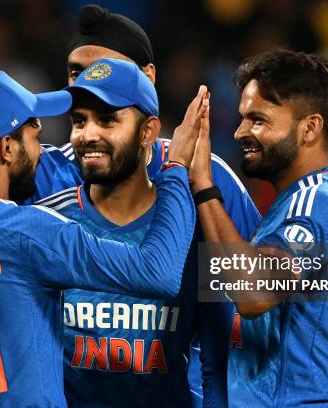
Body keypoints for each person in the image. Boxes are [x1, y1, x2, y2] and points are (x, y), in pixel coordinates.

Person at [0, 5, 267, 407]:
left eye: (107, 110)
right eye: (74, 76)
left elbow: (258, 294)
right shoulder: (45, 177)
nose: (84, 82)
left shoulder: (203, 177)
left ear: (147, 88)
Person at [0, 70, 207, 407]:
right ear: (7, 147)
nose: (42, 150)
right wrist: (178, 166)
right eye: (34, 138)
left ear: (147, 130)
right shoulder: (30, 229)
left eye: (106, 119)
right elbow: (159, 273)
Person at [180, 49, 328, 407]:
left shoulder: (311, 205)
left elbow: (254, 295)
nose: (241, 131)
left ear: (310, 128)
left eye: (259, 120)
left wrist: (203, 186)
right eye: (242, 118)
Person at [34, 57, 223, 407]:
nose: (87, 135)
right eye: (79, 121)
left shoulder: (192, 227)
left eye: (107, 120)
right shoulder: (46, 222)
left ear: (148, 131)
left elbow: (217, 361)